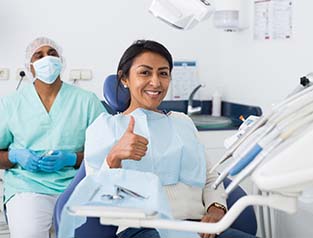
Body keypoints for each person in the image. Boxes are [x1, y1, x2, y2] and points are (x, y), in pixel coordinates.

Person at [60, 40, 257, 238]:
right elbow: (94, 198)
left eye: (163, 73)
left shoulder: (183, 123)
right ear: (124, 79)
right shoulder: (104, 128)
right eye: (145, 72)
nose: (155, 82)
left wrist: (216, 209)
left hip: (200, 228)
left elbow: (210, 177)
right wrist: (114, 158)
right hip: (141, 230)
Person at [0, 37, 106, 238]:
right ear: (30, 67)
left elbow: (107, 153)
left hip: (76, 184)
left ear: (61, 61)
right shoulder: (11, 104)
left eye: (52, 53)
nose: (46, 59)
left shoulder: (86, 102)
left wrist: (73, 159)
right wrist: (15, 156)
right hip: (27, 186)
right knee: (28, 233)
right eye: (38, 55)